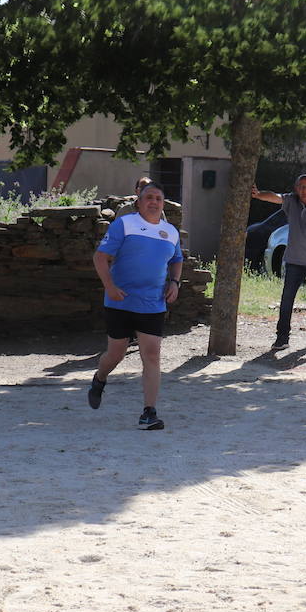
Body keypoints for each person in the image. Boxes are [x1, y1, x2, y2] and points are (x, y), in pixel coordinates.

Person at [86, 182, 183, 430]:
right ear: (138, 202)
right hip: (120, 300)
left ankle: (148, 413)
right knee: (115, 354)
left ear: (163, 204)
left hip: (152, 303)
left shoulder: (170, 231)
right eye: (148, 197)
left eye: (158, 199)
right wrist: (109, 287)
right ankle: (99, 378)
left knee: (151, 355)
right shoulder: (124, 224)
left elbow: (176, 260)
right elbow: (100, 257)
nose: (153, 202)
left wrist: (174, 282)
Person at [252, 174, 306, 349]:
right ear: (296, 188)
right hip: (294, 261)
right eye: (300, 186)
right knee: (287, 299)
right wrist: (258, 194)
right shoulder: (291, 201)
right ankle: (282, 338)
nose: (303, 190)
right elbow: (275, 197)